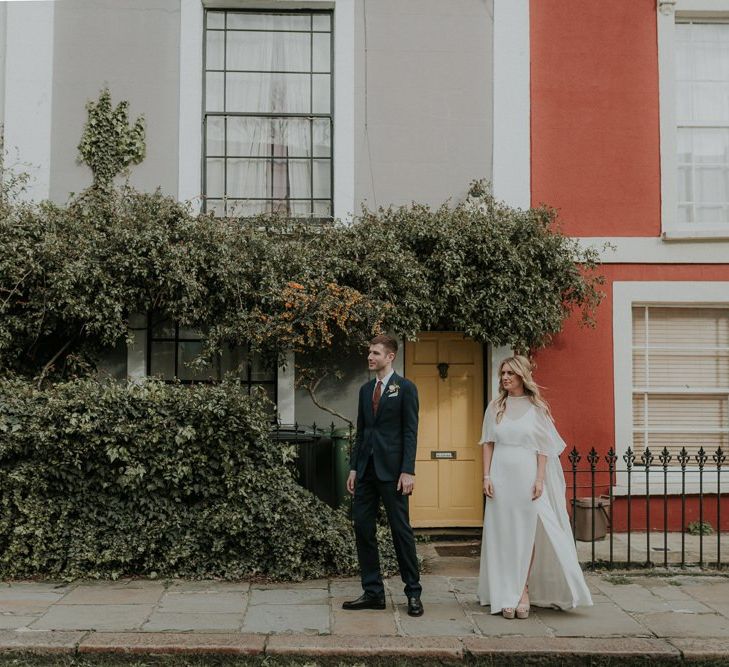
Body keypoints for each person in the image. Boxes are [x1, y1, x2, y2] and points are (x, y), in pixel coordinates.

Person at [477, 355, 592, 618]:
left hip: (527, 476)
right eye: (503, 373)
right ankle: (504, 590)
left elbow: (544, 448)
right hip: (500, 475)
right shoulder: (495, 407)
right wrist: (486, 477)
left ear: (522, 376)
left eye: (511, 374)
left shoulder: (537, 408)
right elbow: (488, 443)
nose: (505, 377)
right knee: (503, 533)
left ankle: (522, 590)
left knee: (526, 532)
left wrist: (539, 479)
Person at [342, 334, 423, 617]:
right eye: (369, 352)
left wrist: (408, 470)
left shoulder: (406, 388)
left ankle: (413, 592)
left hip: (393, 474)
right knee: (363, 529)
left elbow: (410, 432)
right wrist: (354, 467)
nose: (370, 357)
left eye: (375, 353)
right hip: (365, 472)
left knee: (401, 532)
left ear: (390, 357)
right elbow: (362, 431)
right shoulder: (365, 391)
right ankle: (373, 592)